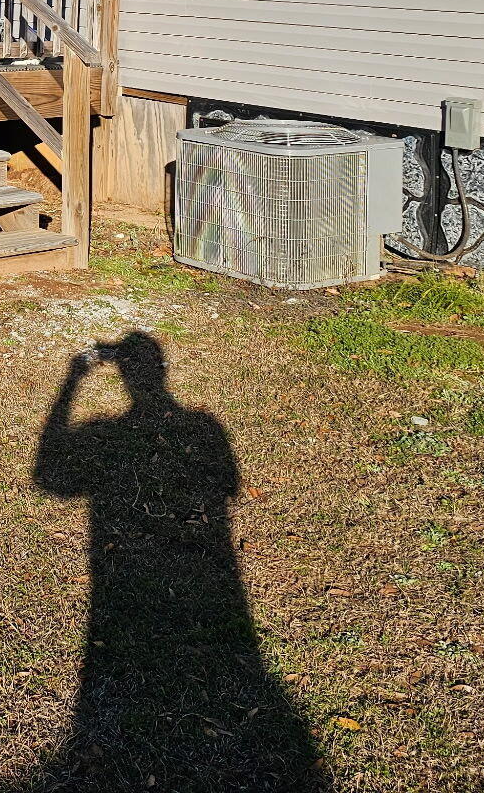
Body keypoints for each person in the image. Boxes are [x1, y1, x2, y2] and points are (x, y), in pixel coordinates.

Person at [29, 332, 326, 791]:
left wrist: (71, 382)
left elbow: (49, 476)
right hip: (211, 570)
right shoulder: (206, 427)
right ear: (162, 373)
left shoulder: (111, 431)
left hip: (124, 575)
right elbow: (228, 484)